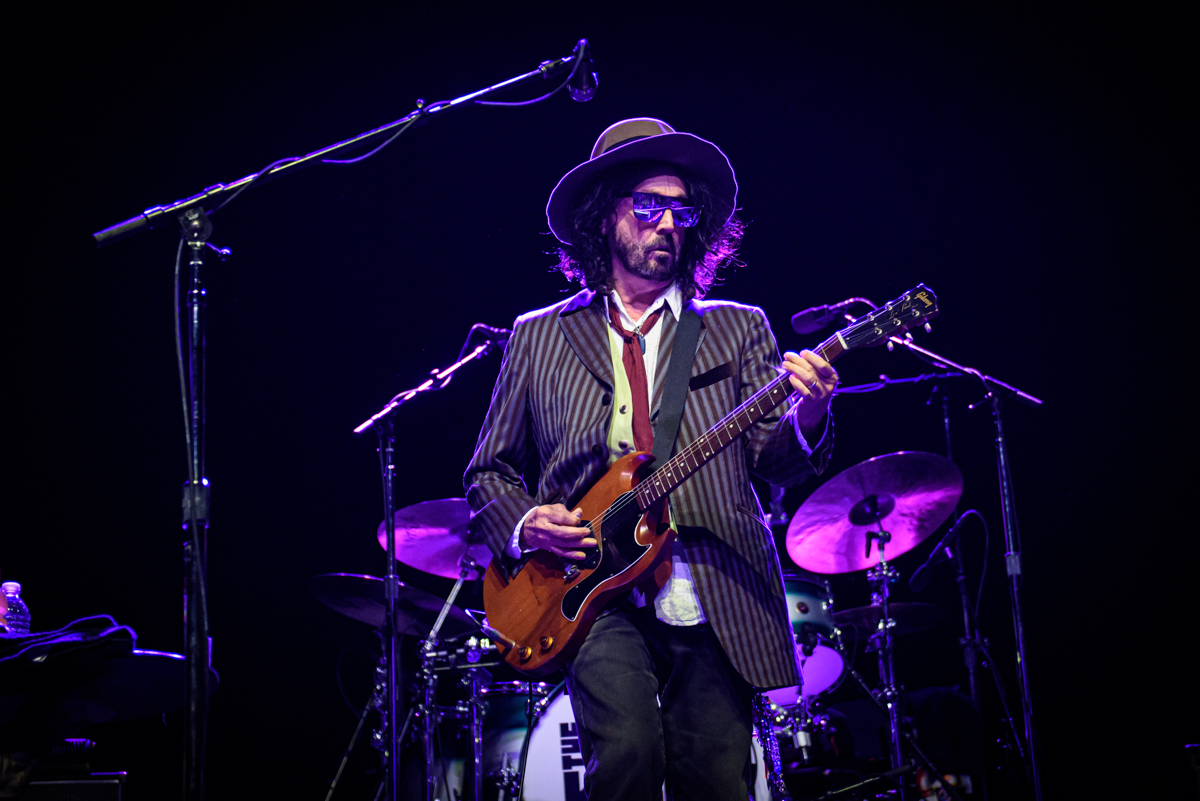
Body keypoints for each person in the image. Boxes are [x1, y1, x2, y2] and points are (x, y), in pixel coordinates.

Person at [465, 118, 838, 800]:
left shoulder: (737, 327)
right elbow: (488, 471)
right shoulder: (539, 336)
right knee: (628, 759)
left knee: (718, 784)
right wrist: (526, 523)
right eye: (647, 205)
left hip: (714, 586)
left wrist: (809, 412)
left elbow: (775, 459)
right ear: (603, 216)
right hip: (588, 592)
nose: (667, 223)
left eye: (681, 210)